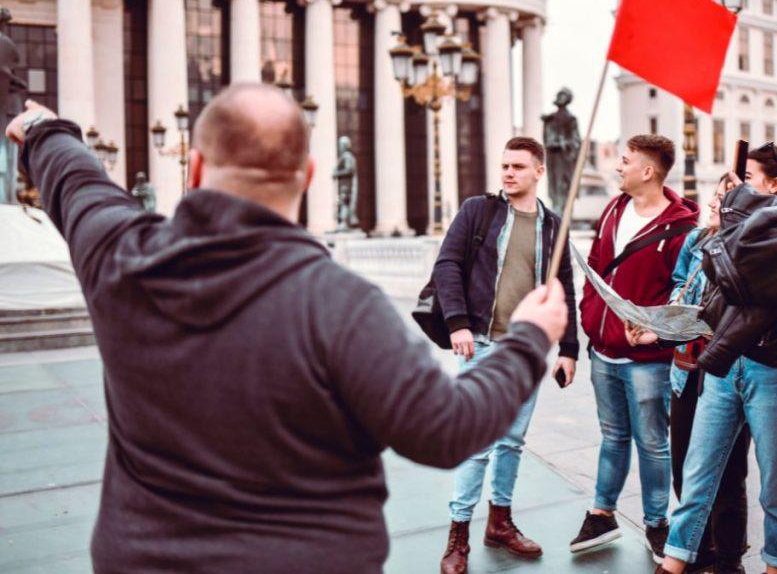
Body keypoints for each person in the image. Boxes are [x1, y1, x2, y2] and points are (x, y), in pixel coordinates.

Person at [5, 87, 568, 574]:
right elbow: (448, 429)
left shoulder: (124, 258)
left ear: (195, 168)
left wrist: (42, 130)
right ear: (309, 177)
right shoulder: (344, 307)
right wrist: (528, 339)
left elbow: (78, 185)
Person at [658, 143, 777, 574]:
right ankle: (673, 564)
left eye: (743, 185)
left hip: (771, 370)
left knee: (774, 485)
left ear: (774, 186)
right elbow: (695, 294)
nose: (729, 196)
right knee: (697, 474)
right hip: (721, 370)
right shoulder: (714, 236)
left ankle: (775, 565)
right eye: (727, 189)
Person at [432, 136, 578, 574]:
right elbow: (447, 264)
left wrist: (569, 349)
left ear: (539, 172)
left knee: (512, 441)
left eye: (518, 166)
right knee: (478, 444)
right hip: (480, 341)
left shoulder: (552, 224)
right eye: (505, 166)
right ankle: (458, 533)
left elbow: (564, 285)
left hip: (528, 348)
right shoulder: (480, 210)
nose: (508, 173)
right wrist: (458, 322)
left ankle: (500, 521)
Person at [571, 134, 700, 564]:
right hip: (602, 351)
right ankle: (601, 512)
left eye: (625, 161)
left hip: (647, 360)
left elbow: (685, 297)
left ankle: (656, 522)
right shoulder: (612, 208)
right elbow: (594, 266)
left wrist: (653, 329)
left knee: (652, 444)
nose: (617, 167)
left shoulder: (682, 228)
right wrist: (590, 319)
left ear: (648, 171)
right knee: (612, 437)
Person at [629, 174, 750, 573]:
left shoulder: (745, 246)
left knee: (728, 474)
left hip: (728, 372)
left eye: (723, 199)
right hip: (686, 369)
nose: (713, 204)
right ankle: (700, 552)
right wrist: (657, 325)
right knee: (683, 465)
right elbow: (680, 289)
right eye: (714, 196)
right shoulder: (694, 243)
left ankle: (729, 561)